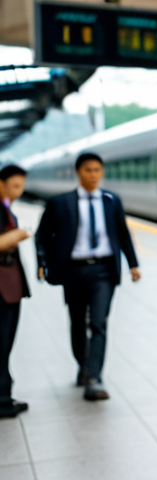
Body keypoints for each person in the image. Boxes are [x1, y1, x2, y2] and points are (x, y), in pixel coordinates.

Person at [35, 153, 140, 401]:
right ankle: (84, 366)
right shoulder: (60, 203)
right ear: (78, 172)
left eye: (97, 170)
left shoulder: (112, 200)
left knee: (99, 323)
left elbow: (122, 234)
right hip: (74, 270)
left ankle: (95, 377)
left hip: (104, 270)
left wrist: (133, 264)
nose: (93, 175)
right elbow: (43, 235)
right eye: (88, 170)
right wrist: (42, 263)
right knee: (77, 322)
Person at [0, 165, 30, 418]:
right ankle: (1, 399)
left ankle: (5, 394)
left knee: (6, 343)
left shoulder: (6, 207)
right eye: (15, 186)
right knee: (1, 343)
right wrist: (16, 235)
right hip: (2, 288)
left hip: (10, 287)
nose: (19, 192)